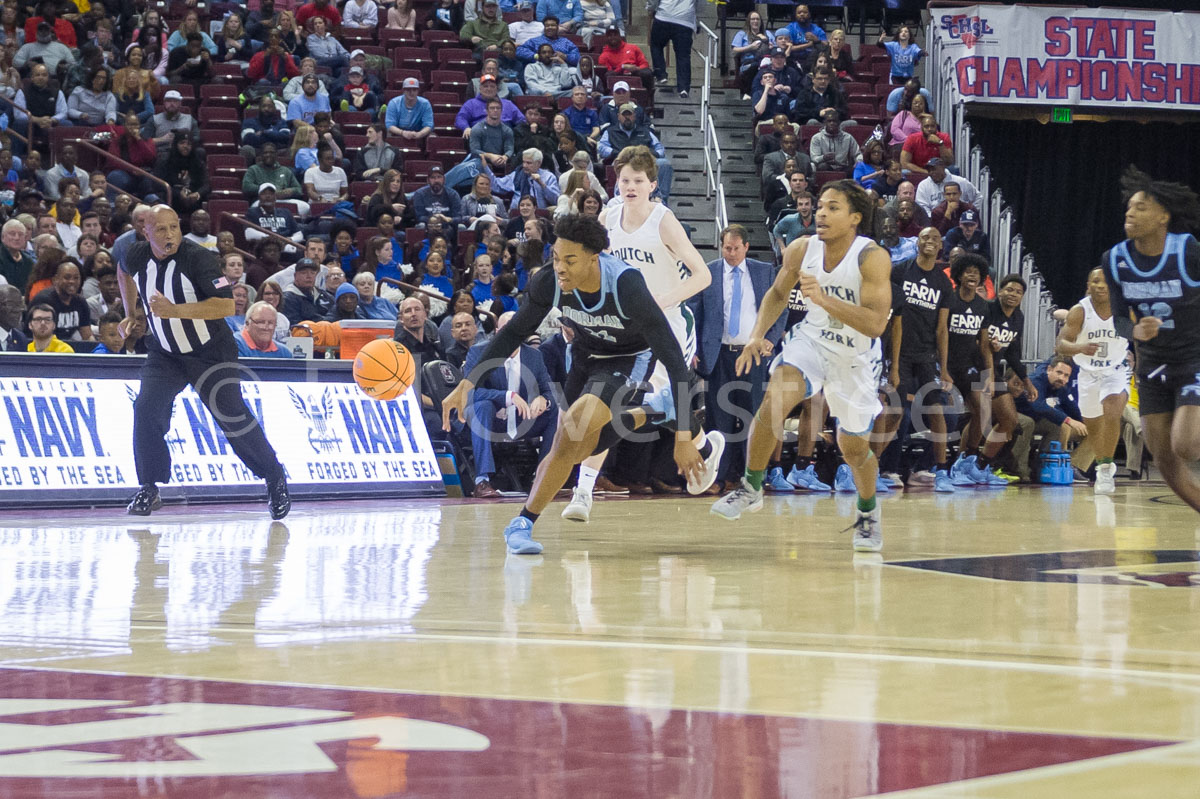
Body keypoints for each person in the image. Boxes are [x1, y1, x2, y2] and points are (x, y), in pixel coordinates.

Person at [441, 214, 711, 554]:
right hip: (585, 356)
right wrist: (468, 381)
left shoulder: (627, 286)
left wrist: (685, 437)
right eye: (556, 258)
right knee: (570, 448)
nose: (560, 267)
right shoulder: (549, 282)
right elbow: (513, 332)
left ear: (594, 257)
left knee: (574, 430)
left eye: (570, 260)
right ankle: (655, 411)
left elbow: (674, 361)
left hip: (629, 359)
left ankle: (522, 523)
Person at [710, 180, 892, 552]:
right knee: (775, 399)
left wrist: (823, 299)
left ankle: (869, 511)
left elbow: (876, 324)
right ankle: (751, 486)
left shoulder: (871, 257)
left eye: (833, 208)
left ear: (855, 218)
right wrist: (757, 334)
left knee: (853, 447)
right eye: (820, 206)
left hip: (856, 357)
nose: (821, 213)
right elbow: (778, 292)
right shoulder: (801, 248)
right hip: (812, 340)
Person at [562, 145, 719, 521]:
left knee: (658, 402)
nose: (629, 186)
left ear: (652, 185)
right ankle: (583, 491)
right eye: (623, 180)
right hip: (627, 326)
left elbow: (703, 275)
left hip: (669, 324)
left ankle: (704, 445)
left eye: (637, 181)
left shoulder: (663, 221)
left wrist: (661, 300)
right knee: (616, 401)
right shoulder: (610, 217)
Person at [117, 205, 290, 518]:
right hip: (166, 352)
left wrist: (176, 310)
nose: (169, 235)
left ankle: (274, 475)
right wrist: (131, 313)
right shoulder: (136, 254)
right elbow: (122, 270)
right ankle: (150, 487)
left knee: (232, 417)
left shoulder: (198, 258)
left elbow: (226, 305)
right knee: (145, 409)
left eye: (174, 227)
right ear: (147, 232)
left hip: (210, 351)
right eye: (161, 230)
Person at [1100, 167, 1200, 509]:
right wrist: (1135, 330)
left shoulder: (1187, 250)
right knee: (1165, 460)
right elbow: (1118, 320)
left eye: (1142, 207)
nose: (1131, 211)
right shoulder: (1114, 260)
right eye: (1129, 206)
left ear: (1163, 217)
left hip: (1193, 358)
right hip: (1154, 366)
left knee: (1186, 445)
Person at [689, 225, 784, 491]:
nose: (730, 253)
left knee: (754, 417)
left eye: (735, 248)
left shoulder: (764, 271)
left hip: (752, 354)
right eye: (726, 248)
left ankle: (751, 477)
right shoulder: (709, 272)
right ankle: (720, 477)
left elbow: (781, 306)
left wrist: (771, 339)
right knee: (720, 418)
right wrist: (694, 348)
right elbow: (696, 313)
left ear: (746, 247)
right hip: (719, 354)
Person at [463, 311, 558, 498]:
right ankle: (482, 480)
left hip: (523, 420)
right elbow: (470, 391)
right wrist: (507, 396)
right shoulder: (479, 351)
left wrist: (543, 399)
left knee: (556, 411)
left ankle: (542, 477)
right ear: (497, 331)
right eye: (505, 329)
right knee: (482, 406)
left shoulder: (534, 356)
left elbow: (551, 391)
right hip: (492, 421)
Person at [889, 226, 954, 489]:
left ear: (941, 247)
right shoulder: (901, 270)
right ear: (917, 243)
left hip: (926, 354)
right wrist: (891, 362)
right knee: (898, 413)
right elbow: (891, 317)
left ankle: (937, 471)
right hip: (899, 353)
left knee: (939, 412)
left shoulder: (942, 282)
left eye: (935, 238)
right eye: (925, 237)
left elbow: (942, 328)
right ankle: (887, 469)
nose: (930, 241)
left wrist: (945, 367)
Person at [958, 274, 1036, 486]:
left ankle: (981, 466)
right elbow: (967, 337)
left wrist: (1026, 381)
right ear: (999, 291)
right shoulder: (986, 310)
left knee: (1009, 420)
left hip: (993, 372)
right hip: (972, 367)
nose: (1013, 294)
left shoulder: (1017, 318)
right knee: (980, 415)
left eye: (1018, 292)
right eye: (1009, 290)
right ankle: (962, 463)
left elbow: (1012, 354)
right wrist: (984, 345)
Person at [944, 254, 990, 471]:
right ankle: (939, 464)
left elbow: (984, 344)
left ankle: (967, 460)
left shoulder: (983, 306)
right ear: (959, 275)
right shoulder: (949, 299)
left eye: (977, 272)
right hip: (947, 365)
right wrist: (941, 367)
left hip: (969, 366)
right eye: (968, 271)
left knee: (982, 410)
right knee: (948, 415)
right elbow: (939, 333)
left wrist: (988, 373)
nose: (972, 274)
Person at [649, 0, 699, 98]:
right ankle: (683, 88)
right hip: (685, 19)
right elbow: (701, 4)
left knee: (656, 45)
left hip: (664, 15)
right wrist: (695, 16)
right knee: (683, 56)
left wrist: (651, 8)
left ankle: (661, 74)